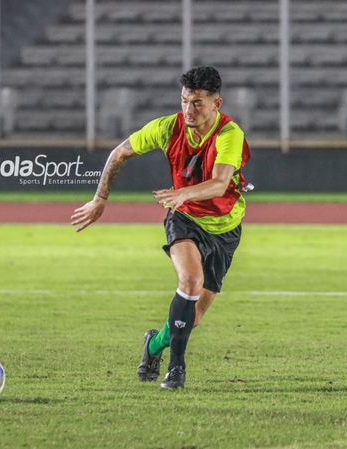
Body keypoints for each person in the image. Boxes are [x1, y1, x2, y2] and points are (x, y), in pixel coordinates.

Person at [71, 66, 250, 389]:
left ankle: (153, 345)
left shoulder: (229, 134)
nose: (188, 110)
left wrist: (183, 192)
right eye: (184, 101)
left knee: (191, 318)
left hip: (225, 228)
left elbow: (221, 183)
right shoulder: (167, 128)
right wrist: (99, 199)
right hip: (183, 219)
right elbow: (119, 153)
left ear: (216, 104)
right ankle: (176, 368)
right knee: (191, 280)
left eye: (197, 103)